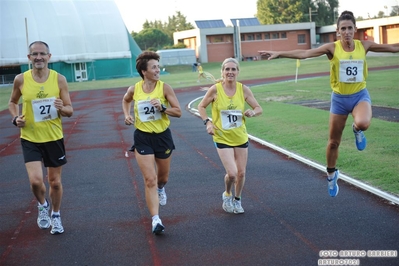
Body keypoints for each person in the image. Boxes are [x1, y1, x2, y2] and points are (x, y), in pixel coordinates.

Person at [259, 11, 399, 197]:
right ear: (338, 32)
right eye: (343, 29)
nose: (347, 32)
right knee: (333, 142)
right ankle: (332, 174)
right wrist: (280, 53)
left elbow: (393, 48)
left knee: (364, 123)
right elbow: (305, 53)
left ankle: (357, 129)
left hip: (359, 96)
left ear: (355, 29)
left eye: (350, 28)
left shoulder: (364, 45)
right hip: (339, 100)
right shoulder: (332, 48)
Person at [8, 41, 73, 235]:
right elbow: (12, 102)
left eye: (42, 54)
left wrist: (62, 107)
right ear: (29, 58)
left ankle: (56, 215)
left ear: (49, 56)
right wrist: (15, 118)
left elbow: (70, 110)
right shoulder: (21, 79)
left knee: (55, 182)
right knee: (36, 181)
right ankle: (43, 206)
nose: (38, 57)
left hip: (53, 137)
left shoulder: (59, 79)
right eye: (34, 54)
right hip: (30, 138)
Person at [122, 51, 182, 235]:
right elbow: (126, 100)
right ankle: (156, 219)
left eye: (158, 66)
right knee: (150, 180)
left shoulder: (165, 88)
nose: (158, 70)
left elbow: (178, 111)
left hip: (162, 136)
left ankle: (161, 189)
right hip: (142, 137)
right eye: (154, 67)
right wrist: (127, 114)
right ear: (143, 71)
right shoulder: (135, 89)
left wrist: (163, 108)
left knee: (162, 179)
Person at [197, 58, 263, 214]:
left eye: (233, 69)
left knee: (241, 173)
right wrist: (208, 122)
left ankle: (237, 200)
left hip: (240, 136)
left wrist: (253, 112)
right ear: (222, 72)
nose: (230, 72)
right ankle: (227, 194)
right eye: (227, 69)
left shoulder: (244, 89)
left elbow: (259, 107)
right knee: (232, 174)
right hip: (222, 136)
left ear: (238, 72)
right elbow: (201, 106)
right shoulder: (215, 89)